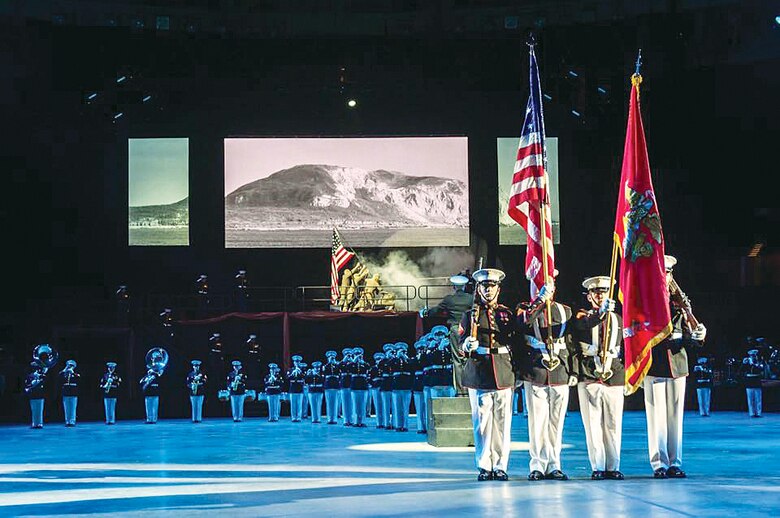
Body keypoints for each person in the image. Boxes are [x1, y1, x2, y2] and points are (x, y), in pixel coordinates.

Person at [643, 255, 707, 479]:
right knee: (656, 417)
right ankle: (659, 463)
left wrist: (695, 325)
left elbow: (694, 337)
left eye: (668, 273)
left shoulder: (679, 307)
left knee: (674, 417)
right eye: (662, 273)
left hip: (678, 366)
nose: (666, 276)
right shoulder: (647, 303)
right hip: (655, 366)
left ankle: (675, 462)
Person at [457, 268, 521, 482]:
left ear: (498, 289)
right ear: (479, 289)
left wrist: (517, 372)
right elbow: (458, 342)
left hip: (503, 370)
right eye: (484, 286)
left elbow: (515, 341)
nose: (488, 290)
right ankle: (485, 465)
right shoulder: (470, 315)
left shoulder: (506, 314)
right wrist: (467, 343)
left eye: (492, 286)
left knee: (502, 422)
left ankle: (501, 465)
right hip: (480, 371)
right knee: (482, 422)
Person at [518, 277, 577, 482]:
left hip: (559, 371)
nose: (546, 290)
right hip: (536, 372)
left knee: (556, 423)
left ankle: (554, 464)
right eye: (541, 286)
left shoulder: (565, 311)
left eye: (548, 287)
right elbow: (523, 323)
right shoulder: (526, 310)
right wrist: (539, 301)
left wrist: (574, 371)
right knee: (537, 422)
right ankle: (537, 464)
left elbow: (571, 344)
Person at [573, 276, 625, 480]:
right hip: (590, 373)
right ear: (589, 296)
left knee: (613, 423)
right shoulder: (581, 315)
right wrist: (601, 313)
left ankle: (613, 465)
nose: (600, 295)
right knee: (593, 423)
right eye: (596, 292)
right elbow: (584, 325)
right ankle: (598, 466)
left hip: (614, 373)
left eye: (603, 292)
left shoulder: (618, 318)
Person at [421, 274, 474, 396]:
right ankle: (470, 389)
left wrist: (425, 312)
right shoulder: (471, 299)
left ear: (454, 287)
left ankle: (461, 391)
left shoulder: (449, 299)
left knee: (457, 360)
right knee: (468, 359)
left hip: (455, 329)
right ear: (465, 286)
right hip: (469, 330)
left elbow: (435, 311)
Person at [391, 342, 413, 432]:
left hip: (406, 386)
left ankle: (405, 425)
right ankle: (398, 425)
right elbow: (388, 366)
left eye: (403, 351)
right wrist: (396, 357)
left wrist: (405, 358)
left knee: (405, 407)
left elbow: (413, 367)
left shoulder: (408, 360)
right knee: (397, 407)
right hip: (396, 386)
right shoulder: (394, 360)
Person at [740, 349, 765, 417]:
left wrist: (755, 364)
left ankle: (758, 413)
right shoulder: (747, 362)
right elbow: (741, 370)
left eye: (754, 355)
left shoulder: (759, 361)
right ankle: (752, 413)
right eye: (752, 355)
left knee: (758, 398)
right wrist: (744, 363)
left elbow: (761, 369)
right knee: (750, 398)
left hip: (756, 380)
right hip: (749, 381)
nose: (753, 357)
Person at [350, 347, 371, 427]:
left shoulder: (364, 364)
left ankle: (362, 421)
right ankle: (355, 421)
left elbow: (368, 367)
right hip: (355, 386)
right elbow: (347, 368)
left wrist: (362, 362)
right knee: (355, 405)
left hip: (363, 385)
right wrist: (354, 361)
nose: (358, 356)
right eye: (356, 354)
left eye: (359, 355)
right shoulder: (351, 364)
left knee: (363, 405)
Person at [411, 341, 428, 434]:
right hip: (418, 385)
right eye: (419, 349)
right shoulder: (415, 359)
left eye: (423, 349)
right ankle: (420, 427)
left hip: (426, 382)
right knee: (419, 408)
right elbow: (411, 367)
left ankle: (428, 426)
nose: (421, 350)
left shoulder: (427, 357)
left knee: (427, 408)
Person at [25, 361, 47, 429]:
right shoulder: (30, 376)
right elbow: (28, 385)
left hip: (40, 394)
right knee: (34, 410)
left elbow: (44, 382)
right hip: (33, 394)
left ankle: (39, 423)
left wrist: (40, 379)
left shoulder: (42, 375)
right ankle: (34, 423)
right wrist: (33, 383)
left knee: (40, 410)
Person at [379, 343, 396, 429]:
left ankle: (394, 423)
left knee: (394, 406)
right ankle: (386, 423)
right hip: (385, 384)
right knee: (385, 406)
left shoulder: (395, 360)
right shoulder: (383, 361)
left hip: (394, 384)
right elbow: (380, 367)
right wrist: (387, 358)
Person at [59, 360, 80, 427]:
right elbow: (59, 376)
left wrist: (73, 373)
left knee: (73, 407)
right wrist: (65, 369)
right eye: (69, 365)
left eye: (71, 365)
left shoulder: (76, 373)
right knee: (67, 407)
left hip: (73, 392)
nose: (70, 367)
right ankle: (67, 421)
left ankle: (72, 421)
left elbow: (79, 379)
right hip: (66, 392)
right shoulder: (64, 373)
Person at [322, 350, 341, 424]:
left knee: (335, 403)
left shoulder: (337, 366)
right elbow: (323, 372)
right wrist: (329, 363)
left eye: (332, 358)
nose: (331, 359)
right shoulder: (325, 366)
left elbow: (340, 371)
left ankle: (335, 419)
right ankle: (330, 419)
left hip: (335, 385)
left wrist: (335, 363)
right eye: (330, 357)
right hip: (328, 386)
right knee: (329, 403)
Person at [369, 352, 385, 428]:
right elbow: (369, 378)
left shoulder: (385, 367)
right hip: (375, 387)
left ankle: (385, 422)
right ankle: (379, 423)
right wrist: (372, 384)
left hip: (384, 387)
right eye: (378, 359)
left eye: (380, 359)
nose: (379, 360)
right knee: (378, 405)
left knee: (384, 406)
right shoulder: (373, 368)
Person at [288, 355, 306, 422]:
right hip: (292, 389)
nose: (297, 363)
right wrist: (292, 373)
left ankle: (298, 417)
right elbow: (287, 378)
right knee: (293, 405)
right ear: (293, 362)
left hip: (299, 389)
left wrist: (300, 372)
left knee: (299, 404)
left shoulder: (302, 370)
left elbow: (305, 378)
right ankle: (293, 417)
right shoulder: (290, 370)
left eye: (298, 362)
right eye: (295, 362)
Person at [339, 348, 354, 426]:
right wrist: (344, 360)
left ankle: (351, 420)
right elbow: (338, 367)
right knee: (345, 403)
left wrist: (352, 360)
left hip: (352, 384)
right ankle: (345, 420)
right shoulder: (342, 363)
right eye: (347, 355)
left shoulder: (353, 363)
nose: (348, 356)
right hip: (344, 384)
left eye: (349, 355)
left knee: (351, 404)